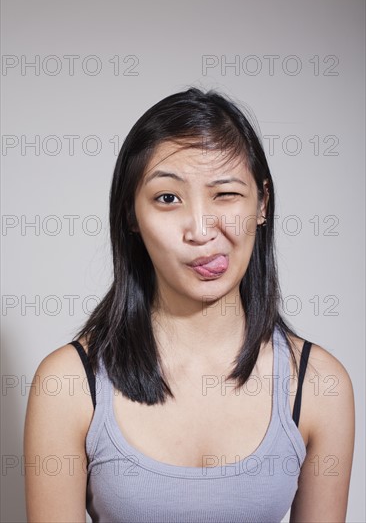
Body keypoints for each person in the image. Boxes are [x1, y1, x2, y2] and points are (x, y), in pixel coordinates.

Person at [24, 88, 355, 523]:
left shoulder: (318, 384)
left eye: (225, 194)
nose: (200, 230)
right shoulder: (67, 383)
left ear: (262, 203)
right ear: (131, 216)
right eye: (168, 198)